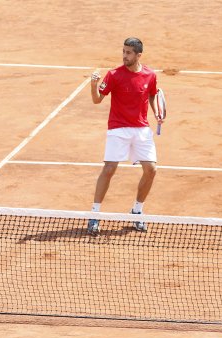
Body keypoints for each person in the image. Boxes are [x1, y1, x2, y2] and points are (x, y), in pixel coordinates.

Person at [87, 37, 164, 235]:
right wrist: (93, 85)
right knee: (109, 168)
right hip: (118, 128)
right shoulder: (113, 75)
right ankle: (94, 215)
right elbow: (97, 100)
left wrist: (156, 112)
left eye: (129, 53)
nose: (124, 56)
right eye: (123, 51)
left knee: (151, 169)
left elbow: (152, 94)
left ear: (138, 55)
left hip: (141, 129)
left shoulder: (150, 75)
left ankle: (136, 211)